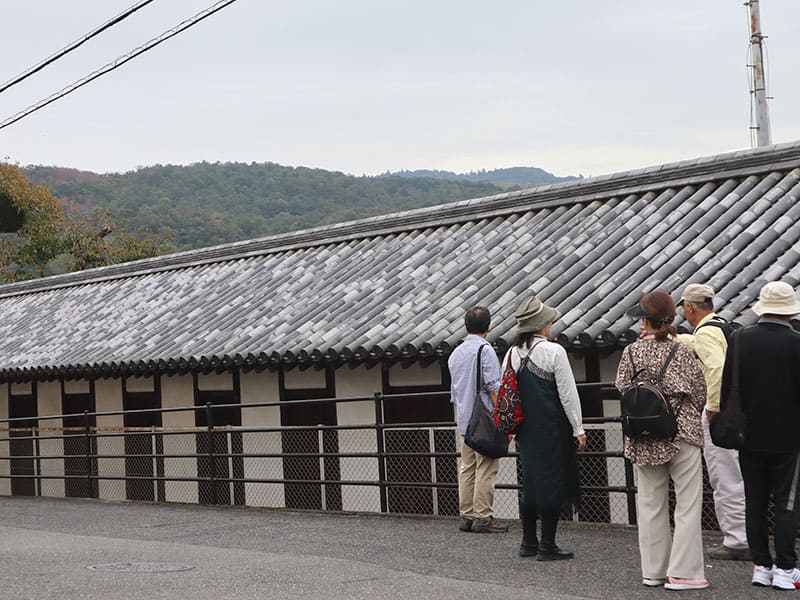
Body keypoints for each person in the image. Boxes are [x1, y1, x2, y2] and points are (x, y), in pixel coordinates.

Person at [616, 290, 708, 590]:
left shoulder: (631, 352)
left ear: (645, 320)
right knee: (687, 504)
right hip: (680, 431)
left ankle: (653, 570)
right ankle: (683, 573)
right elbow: (699, 392)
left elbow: (622, 388)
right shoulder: (682, 351)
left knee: (650, 503)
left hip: (643, 437)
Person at [720, 281, 800, 590]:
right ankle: (785, 566)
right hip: (789, 438)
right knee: (786, 502)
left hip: (747, 435)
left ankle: (761, 566)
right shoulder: (797, 344)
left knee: (754, 500)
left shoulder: (740, 339)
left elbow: (727, 390)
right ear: (789, 312)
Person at [502, 295, 586, 560]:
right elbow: (568, 394)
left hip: (525, 429)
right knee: (551, 482)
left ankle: (528, 542)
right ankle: (547, 545)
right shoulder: (554, 351)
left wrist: (512, 428)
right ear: (541, 325)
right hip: (551, 426)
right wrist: (578, 428)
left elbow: (508, 393)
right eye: (548, 321)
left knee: (531, 482)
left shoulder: (512, 353)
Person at [676, 284, 748, 560]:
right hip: (742, 412)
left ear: (690, 307)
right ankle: (747, 535)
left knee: (725, 476)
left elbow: (715, 369)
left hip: (721, 414)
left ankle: (737, 540)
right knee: (741, 475)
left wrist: (712, 410)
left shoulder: (705, 332)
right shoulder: (723, 326)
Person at [447, 306, 508, 533]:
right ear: (488, 326)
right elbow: (494, 388)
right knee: (486, 467)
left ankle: (467, 516)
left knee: (467, 467)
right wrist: (504, 416)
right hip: (485, 420)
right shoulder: (485, 350)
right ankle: (483, 517)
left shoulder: (456, 353)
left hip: (464, 420)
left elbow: (455, 391)